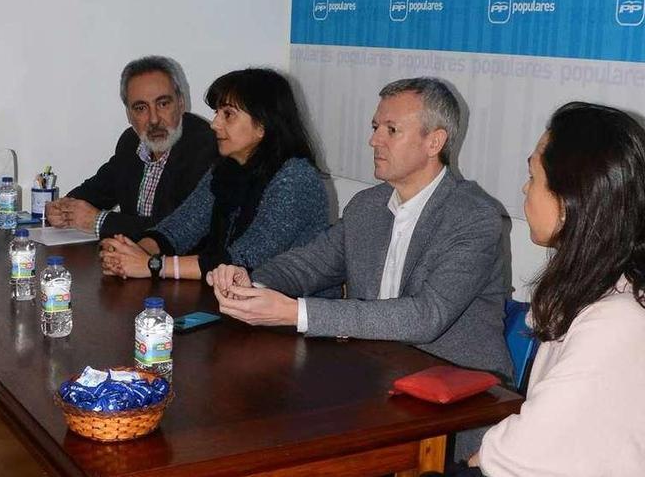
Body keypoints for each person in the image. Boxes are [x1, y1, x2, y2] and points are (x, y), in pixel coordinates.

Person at [208, 77, 512, 457]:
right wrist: (252, 280)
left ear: (434, 142)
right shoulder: (368, 206)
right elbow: (309, 263)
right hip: (376, 385)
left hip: (456, 404)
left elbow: (426, 315)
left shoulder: (473, 217)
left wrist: (294, 311)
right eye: (374, 128)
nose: (374, 140)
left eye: (391, 130)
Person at [458, 103, 645, 476]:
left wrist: (488, 455)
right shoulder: (607, 292)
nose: (526, 189)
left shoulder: (625, 321)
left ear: (570, 199)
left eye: (533, 175)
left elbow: (519, 458)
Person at [99, 68, 329, 280]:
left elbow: (243, 259)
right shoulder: (226, 168)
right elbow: (180, 227)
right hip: (234, 302)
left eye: (228, 114)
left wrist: (152, 265)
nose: (215, 124)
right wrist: (132, 252)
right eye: (217, 112)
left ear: (262, 125)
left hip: (288, 313)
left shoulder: (296, 179)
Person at [46, 55, 219, 239]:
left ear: (181, 103)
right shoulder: (130, 142)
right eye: (141, 108)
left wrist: (99, 221)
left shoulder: (206, 148)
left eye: (163, 104)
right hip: (131, 263)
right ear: (129, 114)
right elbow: (96, 191)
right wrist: (60, 208)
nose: (154, 119)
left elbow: (180, 228)